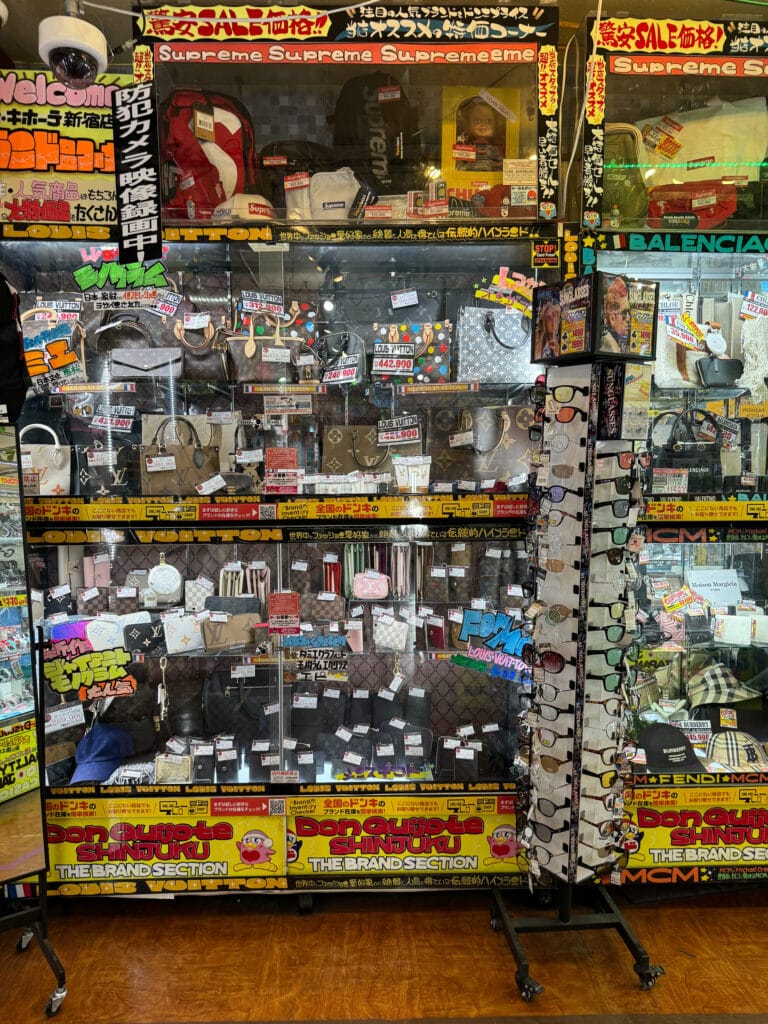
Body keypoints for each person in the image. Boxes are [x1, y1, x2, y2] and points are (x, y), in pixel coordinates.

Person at [455, 97, 506, 172]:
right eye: (477, 121)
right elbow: (458, 163)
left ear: (495, 124)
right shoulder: (464, 143)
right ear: (468, 124)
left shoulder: (500, 144)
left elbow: (505, 162)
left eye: (488, 121)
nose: (483, 125)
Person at [600, 274, 631, 353]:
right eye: (624, 313)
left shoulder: (615, 343)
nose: (628, 318)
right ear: (612, 318)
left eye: (628, 312)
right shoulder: (608, 345)